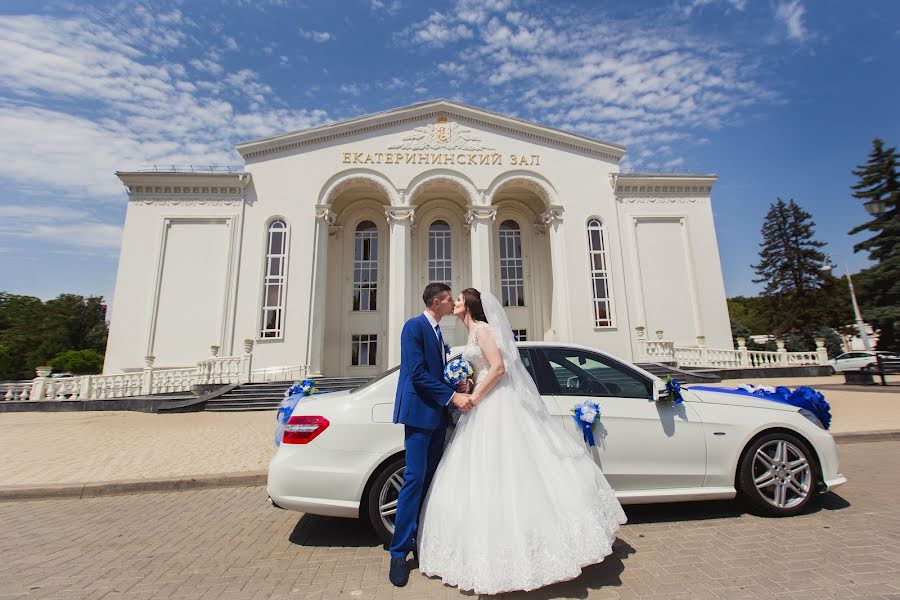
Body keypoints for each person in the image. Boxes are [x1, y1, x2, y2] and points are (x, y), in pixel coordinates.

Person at [417, 288, 627, 595]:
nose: (455, 303)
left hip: (496, 405)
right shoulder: (473, 332)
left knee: (512, 470)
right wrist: (466, 383)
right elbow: (486, 369)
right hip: (483, 405)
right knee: (483, 476)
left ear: (471, 306)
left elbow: (499, 368)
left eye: (459, 299)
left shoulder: (484, 330)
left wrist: (474, 395)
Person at [388, 283, 473, 587]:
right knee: (413, 479)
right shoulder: (414, 327)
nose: (453, 304)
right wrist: (452, 397)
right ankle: (398, 552)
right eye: (450, 300)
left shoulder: (438, 333)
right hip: (420, 416)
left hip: (437, 417)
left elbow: (437, 373)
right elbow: (417, 373)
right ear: (437, 302)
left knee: (430, 481)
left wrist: (457, 384)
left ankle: (418, 538)